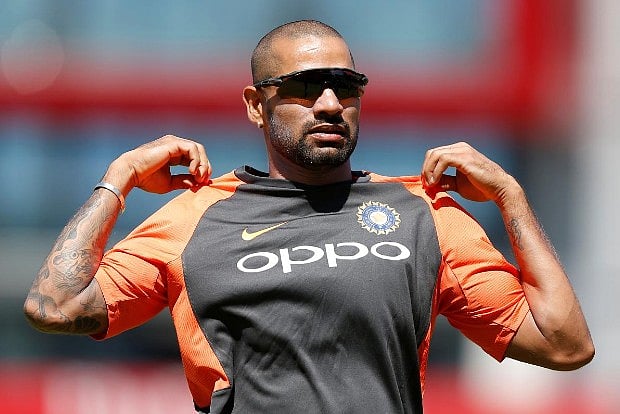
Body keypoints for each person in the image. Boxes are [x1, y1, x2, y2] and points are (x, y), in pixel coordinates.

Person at [24, 20, 594, 413]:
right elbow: (56, 306)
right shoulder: (191, 218)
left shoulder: (425, 215)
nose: (328, 104)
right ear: (256, 105)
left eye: (345, 86)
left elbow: (564, 344)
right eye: (303, 87)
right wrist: (119, 178)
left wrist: (512, 199)